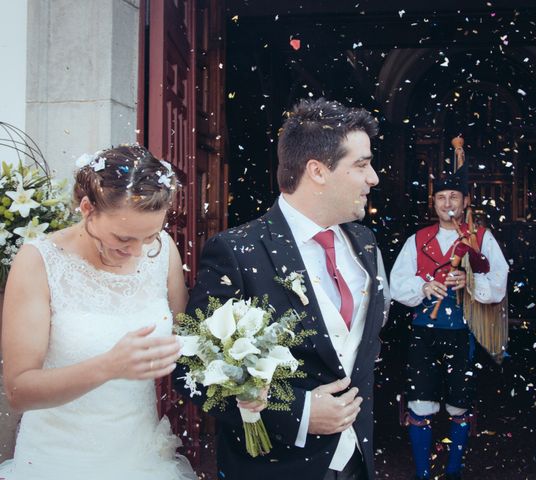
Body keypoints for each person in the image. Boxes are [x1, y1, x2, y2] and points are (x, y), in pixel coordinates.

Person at [174, 98, 389, 480]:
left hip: (356, 459)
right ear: (318, 171)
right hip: (274, 466)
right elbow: (189, 368)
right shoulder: (237, 251)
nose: (373, 178)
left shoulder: (365, 244)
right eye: (361, 165)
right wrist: (298, 412)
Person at [0, 145, 198, 480]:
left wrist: (239, 379)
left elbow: (189, 345)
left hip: (142, 456)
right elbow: (20, 391)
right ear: (87, 209)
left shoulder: (163, 251)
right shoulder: (38, 261)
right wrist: (109, 366)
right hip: (59, 459)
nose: (137, 250)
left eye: (148, 236)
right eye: (123, 237)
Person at [389, 139, 508, 480]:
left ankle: (453, 471)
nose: (447, 203)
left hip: (463, 333)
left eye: (454, 196)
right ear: (434, 203)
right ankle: (423, 473)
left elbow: (499, 280)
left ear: (465, 201)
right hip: (423, 334)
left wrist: (470, 285)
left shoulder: (480, 237)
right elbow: (397, 284)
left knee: (460, 405)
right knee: (420, 404)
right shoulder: (418, 238)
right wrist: (424, 287)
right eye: (441, 198)